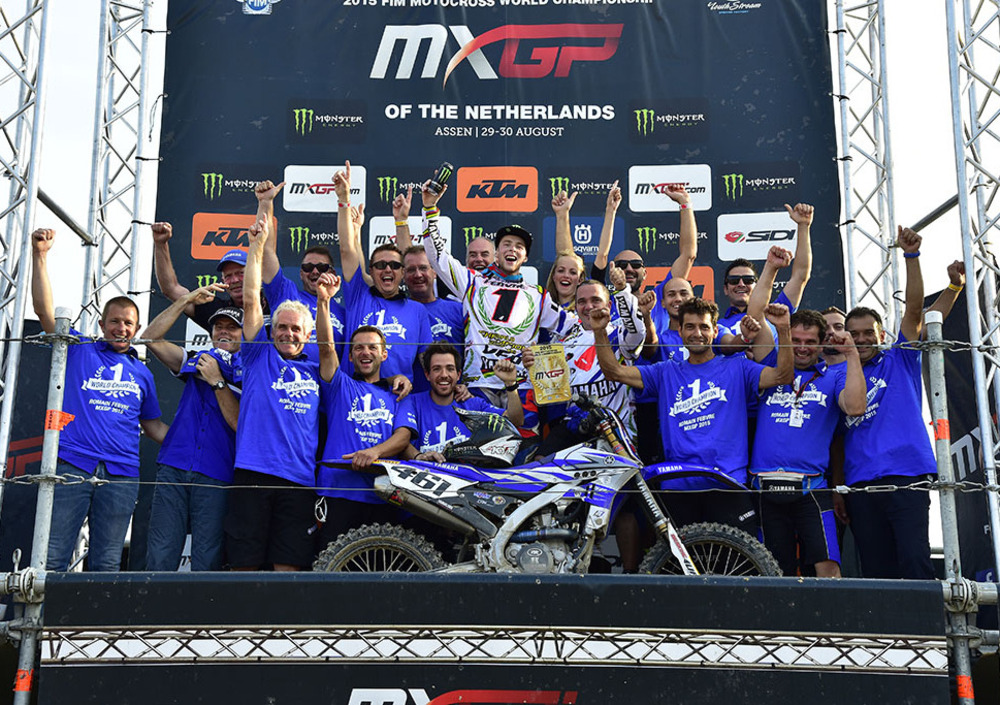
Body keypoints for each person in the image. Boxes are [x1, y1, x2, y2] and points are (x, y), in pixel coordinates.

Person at [31, 227, 168, 571]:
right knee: (53, 557)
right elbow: (45, 313)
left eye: (128, 323)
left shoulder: (143, 374)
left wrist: (201, 446)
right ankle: (46, 612)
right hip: (72, 465)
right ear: (102, 324)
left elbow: (153, 427)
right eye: (115, 322)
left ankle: (93, 613)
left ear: (137, 329)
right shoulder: (80, 349)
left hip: (121, 475)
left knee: (106, 563)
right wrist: (40, 256)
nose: (122, 328)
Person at [594, 298, 793, 533]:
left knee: (740, 554)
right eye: (690, 327)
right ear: (679, 331)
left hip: (726, 483)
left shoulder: (738, 368)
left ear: (715, 331)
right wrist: (599, 331)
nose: (697, 333)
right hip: (678, 485)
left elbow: (782, 376)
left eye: (704, 327)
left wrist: (783, 329)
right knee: (679, 557)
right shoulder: (665, 371)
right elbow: (614, 372)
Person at [839, 226, 939, 580]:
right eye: (854, 334)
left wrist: (911, 256)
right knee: (876, 572)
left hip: (907, 476)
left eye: (869, 333)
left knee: (915, 561)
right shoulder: (836, 375)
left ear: (882, 334)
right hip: (861, 484)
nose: (862, 339)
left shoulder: (900, 358)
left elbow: (914, 311)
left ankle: (925, 620)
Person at [420, 176, 576, 402]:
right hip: (478, 385)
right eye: (506, 244)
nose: (512, 249)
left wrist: (544, 357)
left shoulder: (538, 295)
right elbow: (437, 256)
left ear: (525, 257)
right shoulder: (473, 281)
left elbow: (574, 329)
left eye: (519, 246)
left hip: (522, 387)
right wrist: (429, 208)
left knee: (525, 430)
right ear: (497, 253)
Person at [225, 217, 322, 572]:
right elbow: (252, 299)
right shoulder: (258, 356)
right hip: (253, 473)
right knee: (244, 567)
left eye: (295, 329)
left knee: (289, 569)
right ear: (272, 330)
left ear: (308, 335)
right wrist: (256, 247)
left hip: (299, 480)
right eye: (281, 327)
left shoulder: (319, 371)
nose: (287, 334)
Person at [747, 309, 866, 578]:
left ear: (822, 344)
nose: (802, 347)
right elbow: (757, 309)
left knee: (828, 567)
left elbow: (856, 407)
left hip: (811, 487)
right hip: (764, 487)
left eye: (810, 342)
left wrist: (852, 354)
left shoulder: (834, 375)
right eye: (796, 340)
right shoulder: (772, 366)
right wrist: (782, 328)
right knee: (772, 571)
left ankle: (830, 610)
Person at [143, 284, 242, 571]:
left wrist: (217, 381)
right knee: (160, 556)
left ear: (246, 333)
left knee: (206, 562)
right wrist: (184, 300)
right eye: (218, 327)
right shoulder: (198, 359)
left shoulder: (253, 371)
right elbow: (150, 338)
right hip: (174, 466)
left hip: (217, 473)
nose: (224, 332)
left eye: (232, 328)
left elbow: (239, 424)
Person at [314, 268, 413, 543]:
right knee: (331, 563)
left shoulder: (399, 394)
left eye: (372, 347)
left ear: (384, 354)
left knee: (380, 565)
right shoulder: (339, 386)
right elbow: (326, 348)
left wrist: (373, 453)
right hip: (337, 492)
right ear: (350, 356)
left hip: (383, 494)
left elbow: (403, 437)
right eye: (358, 348)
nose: (365, 352)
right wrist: (323, 301)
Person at [333, 162, 432, 378]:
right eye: (380, 265)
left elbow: (429, 362)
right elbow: (347, 249)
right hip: (354, 391)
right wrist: (344, 199)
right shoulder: (358, 295)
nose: (388, 269)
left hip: (397, 394)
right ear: (370, 270)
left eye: (395, 265)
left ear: (403, 272)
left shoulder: (417, 311)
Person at [253, 180, 348, 361]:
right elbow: (266, 252)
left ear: (333, 273)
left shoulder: (344, 313)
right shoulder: (286, 294)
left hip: (324, 378)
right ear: (301, 274)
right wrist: (265, 203)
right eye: (308, 267)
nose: (315, 272)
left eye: (321, 267)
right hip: (286, 374)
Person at [398, 343, 523, 462]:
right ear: (427, 375)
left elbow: (515, 421)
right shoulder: (412, 403)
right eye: (436, 369)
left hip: (466, 476)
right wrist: (419, 456)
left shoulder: (473, 404)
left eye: (450, 369)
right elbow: (400, 440)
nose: (444, 375)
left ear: (458, 375)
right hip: (424, 474)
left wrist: (511, 384)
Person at [720, 203, 813, 332]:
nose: (741, 284)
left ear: (757, 285)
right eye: (734, 280)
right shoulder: (715, 327)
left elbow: (800, 276)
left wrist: (803, 226)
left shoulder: (776, 313)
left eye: (748, 280)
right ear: (725, 289)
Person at [150, 221, 257, 331]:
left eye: (241, 273)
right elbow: (171, 288)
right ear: (223, 280)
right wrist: (161, 244)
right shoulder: (217, 310)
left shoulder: (268, 301)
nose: (234, 280)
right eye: (228, 276)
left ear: (255, 274)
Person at [402, 245, 464, 391]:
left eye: (423, 268)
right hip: (411, 398)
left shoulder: (458, 310)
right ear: (403, 275)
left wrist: (467, 386)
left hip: (453, 397)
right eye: (411, 270)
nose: (418, 275)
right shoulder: (396, 313)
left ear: (434, 271)